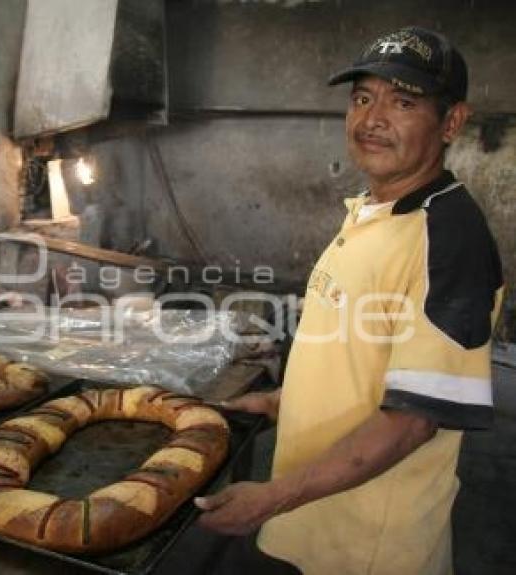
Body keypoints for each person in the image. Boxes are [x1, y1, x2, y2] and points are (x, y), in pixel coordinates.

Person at [196, 26, 504, 574]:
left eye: (403, 102)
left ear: (452, 122)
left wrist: (272, 496)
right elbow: (356, 354)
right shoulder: (372, 211)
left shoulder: (449, 240)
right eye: (363, 98)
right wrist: (282, 402)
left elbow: (413, 421)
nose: (372, 119)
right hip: (313, 526)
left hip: (371, 547)